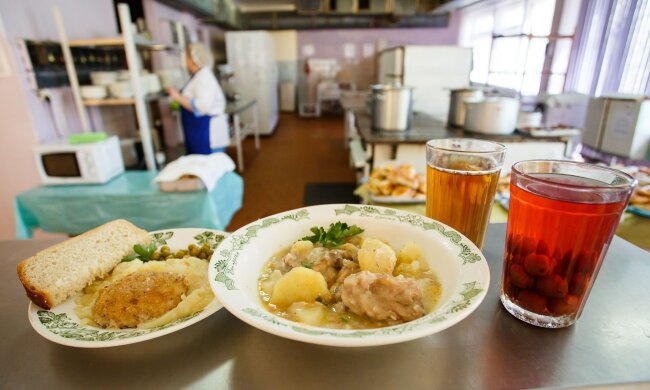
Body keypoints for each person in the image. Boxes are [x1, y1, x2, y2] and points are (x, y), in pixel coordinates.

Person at [167, 43, 229, 154]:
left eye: (186, 57)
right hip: (199, 130)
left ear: (192, 59)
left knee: (208, 167)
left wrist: (177, 97)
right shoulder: (198, 76)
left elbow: (202, 107)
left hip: (207, 132)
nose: (185, 61)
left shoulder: (204, 78)